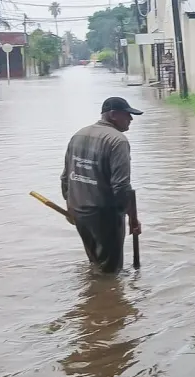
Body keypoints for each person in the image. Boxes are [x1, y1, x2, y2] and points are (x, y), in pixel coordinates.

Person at [61, 97, 143, 274]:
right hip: (104, 215)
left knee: (96, 262)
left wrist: (70, 205)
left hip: (79, 211)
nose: (131, 119)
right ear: (113, 115)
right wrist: (131, 216)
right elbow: (121, 186)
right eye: (127, 115)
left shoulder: (79, 134)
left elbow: (65, 177)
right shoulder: (118, 141)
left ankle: (95, 295)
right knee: (110, 272)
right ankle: (107, 298)